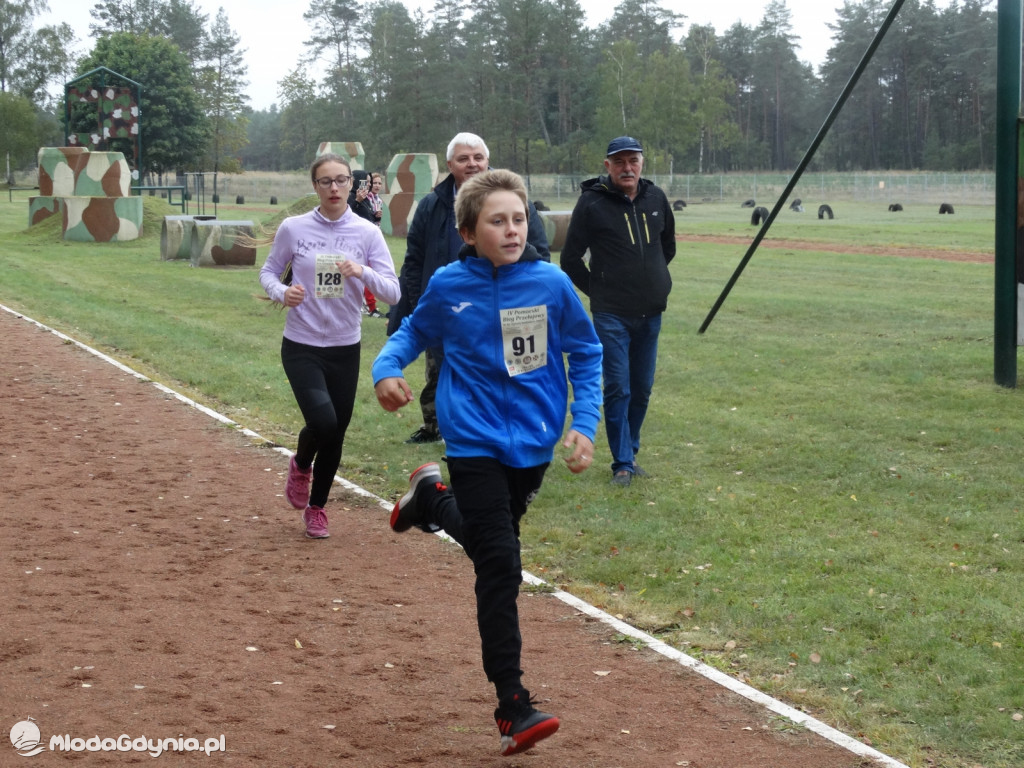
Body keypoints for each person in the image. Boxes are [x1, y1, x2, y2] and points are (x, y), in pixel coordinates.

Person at [372, 169, 602, 756]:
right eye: (497, 221)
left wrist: (582, 424)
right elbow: (409, 333)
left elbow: (586, 353)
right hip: (471, 441)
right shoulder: (450, 284)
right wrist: (385, 369)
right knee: (500, 565)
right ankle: (512, 705)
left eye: (519, 219)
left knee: (488, 544)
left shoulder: (551, 285)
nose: (512, 229)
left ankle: (429, 499)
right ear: (469, 232)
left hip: (532, 445)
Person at [259, 153, 400, 538]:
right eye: (326, 182)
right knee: (323, 421)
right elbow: (269, 272)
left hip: (344, 346)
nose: (334, 188)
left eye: (341, 180)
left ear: (352, 185)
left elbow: (392, 291)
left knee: (336, 432)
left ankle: (317, 508)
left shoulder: (367, 234)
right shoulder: (294, 228)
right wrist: (282, 292)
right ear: (316, 186)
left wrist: (362, 271)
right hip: (301, 344)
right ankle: (302, 464)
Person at [386, 132, 551, 444]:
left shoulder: (516, 201)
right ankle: (444, 430)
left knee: (512, 377)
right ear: (450, 164)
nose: (472, 164)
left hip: (509, 312)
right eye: (463, 158)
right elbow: (414, 260)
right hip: (451, 309)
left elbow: (539, 253)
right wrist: (425, 302)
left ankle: (520, 433)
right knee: (445, 375)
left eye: (478, 157)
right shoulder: (432, 205)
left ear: (487, 161)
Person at [559, 136, 675, 488]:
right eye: (620, 161)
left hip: (651, 311)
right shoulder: (591, 203)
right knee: (618, 387)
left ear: (642, 163)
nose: (628, 167)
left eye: (633, 160)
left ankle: (631, 451)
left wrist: (653, 280)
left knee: (641, 388)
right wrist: (601, 289)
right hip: (612, 315)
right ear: (607, 166)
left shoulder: (656, 197)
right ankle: (622, 462)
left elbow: (667, 246)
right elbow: (570, 259)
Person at [347, 170, 386, 318]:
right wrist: (356, 201)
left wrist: (376, 218)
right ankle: (369, 307)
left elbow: (367, 220)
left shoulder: (367, 199)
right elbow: (345, 215)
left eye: (370, 182)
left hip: (368, 242)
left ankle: (370, 306)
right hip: (356, 244)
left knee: (369, 274)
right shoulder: (351, 197)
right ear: (358, 181)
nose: (369, 185)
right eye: (367, 181)